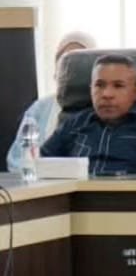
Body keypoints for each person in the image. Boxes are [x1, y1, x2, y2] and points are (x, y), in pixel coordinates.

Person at [40, 54, 136, 176]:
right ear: (91, 89)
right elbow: (37, 164)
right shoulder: (74, 123)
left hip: (131, 200)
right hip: (73, 201)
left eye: (118, 86)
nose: (107, 94)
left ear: (135, 92)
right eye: (99, 85)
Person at [7, 31, 96, 171]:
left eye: (79, 62)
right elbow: (17, 160)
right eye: (65, 61)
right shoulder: (40, 108)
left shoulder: (106, 107)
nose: (72, 69)